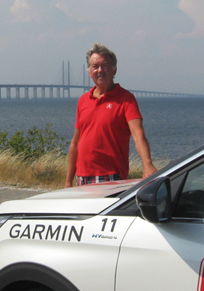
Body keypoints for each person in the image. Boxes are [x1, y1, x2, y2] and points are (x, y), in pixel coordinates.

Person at [65, 43, 157, 187]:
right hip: (82, 177)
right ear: (89, 72)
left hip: (111, 176)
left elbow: (138, 134)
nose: (100, 70)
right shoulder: (83, 100)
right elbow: (75, 143)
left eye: (105, 65)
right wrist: (68, 181)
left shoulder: (126, 99)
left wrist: (148, 165)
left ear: (114, 70)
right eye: (95, 67)